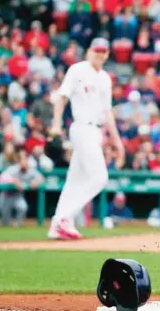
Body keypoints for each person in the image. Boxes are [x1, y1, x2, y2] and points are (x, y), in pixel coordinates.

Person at [47, 37, 124, 240]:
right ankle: (65, 217)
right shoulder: (77, 70)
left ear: (107, 54)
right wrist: (56, 124)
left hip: (95, 130)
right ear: (89, 51)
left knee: (74, 180)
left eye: (103, 51)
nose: (99, 54)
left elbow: (107, 113)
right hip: (82, 127)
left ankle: (57, 225)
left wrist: (117, 143)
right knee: (100, 178)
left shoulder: (105, 78)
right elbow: (61, 97)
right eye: (96, 50)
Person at [0, 148, 44, 227]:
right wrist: (14, 180)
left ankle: (17, 225)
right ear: (19, 162)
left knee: (23, 207)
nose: (24, 164)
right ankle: (5, 230)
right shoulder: (14, 168)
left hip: (17, 195)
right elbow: (1, 178)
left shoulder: (30, 170)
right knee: (5, 218)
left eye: (26, 162)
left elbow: (41, 178)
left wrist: (36, 181)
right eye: (23, 162)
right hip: (6, 195)